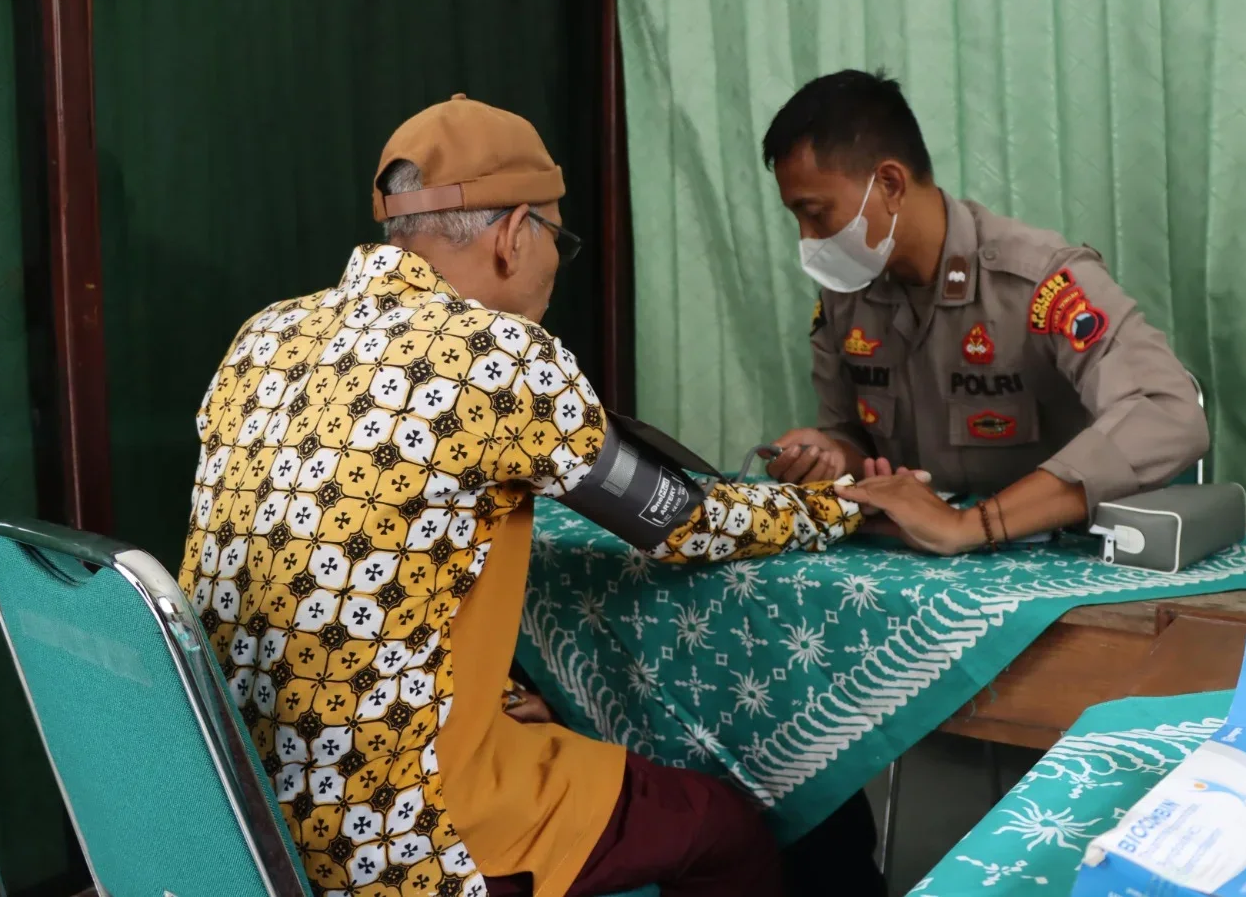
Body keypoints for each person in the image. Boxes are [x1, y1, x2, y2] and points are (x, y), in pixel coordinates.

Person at [177, 95, 877, 897]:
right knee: (724, 832)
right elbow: (682, 522)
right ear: (514, 234)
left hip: (236, 809)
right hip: (395, 836)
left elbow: (341, 566)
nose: (554, 263)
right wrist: (852, 503)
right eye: (557, 237)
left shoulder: (264, 336)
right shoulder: (500, 354)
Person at [762, 70, 1209, 553]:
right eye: (797, 218)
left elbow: (1169, 412)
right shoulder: (846, 298)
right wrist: (832, 456)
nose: (808, 238)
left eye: (816, 213)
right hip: (912, 557)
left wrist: (972, 525)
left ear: (889, 183)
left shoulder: (1038, 282)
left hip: (1056, 559)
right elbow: (854, 440)